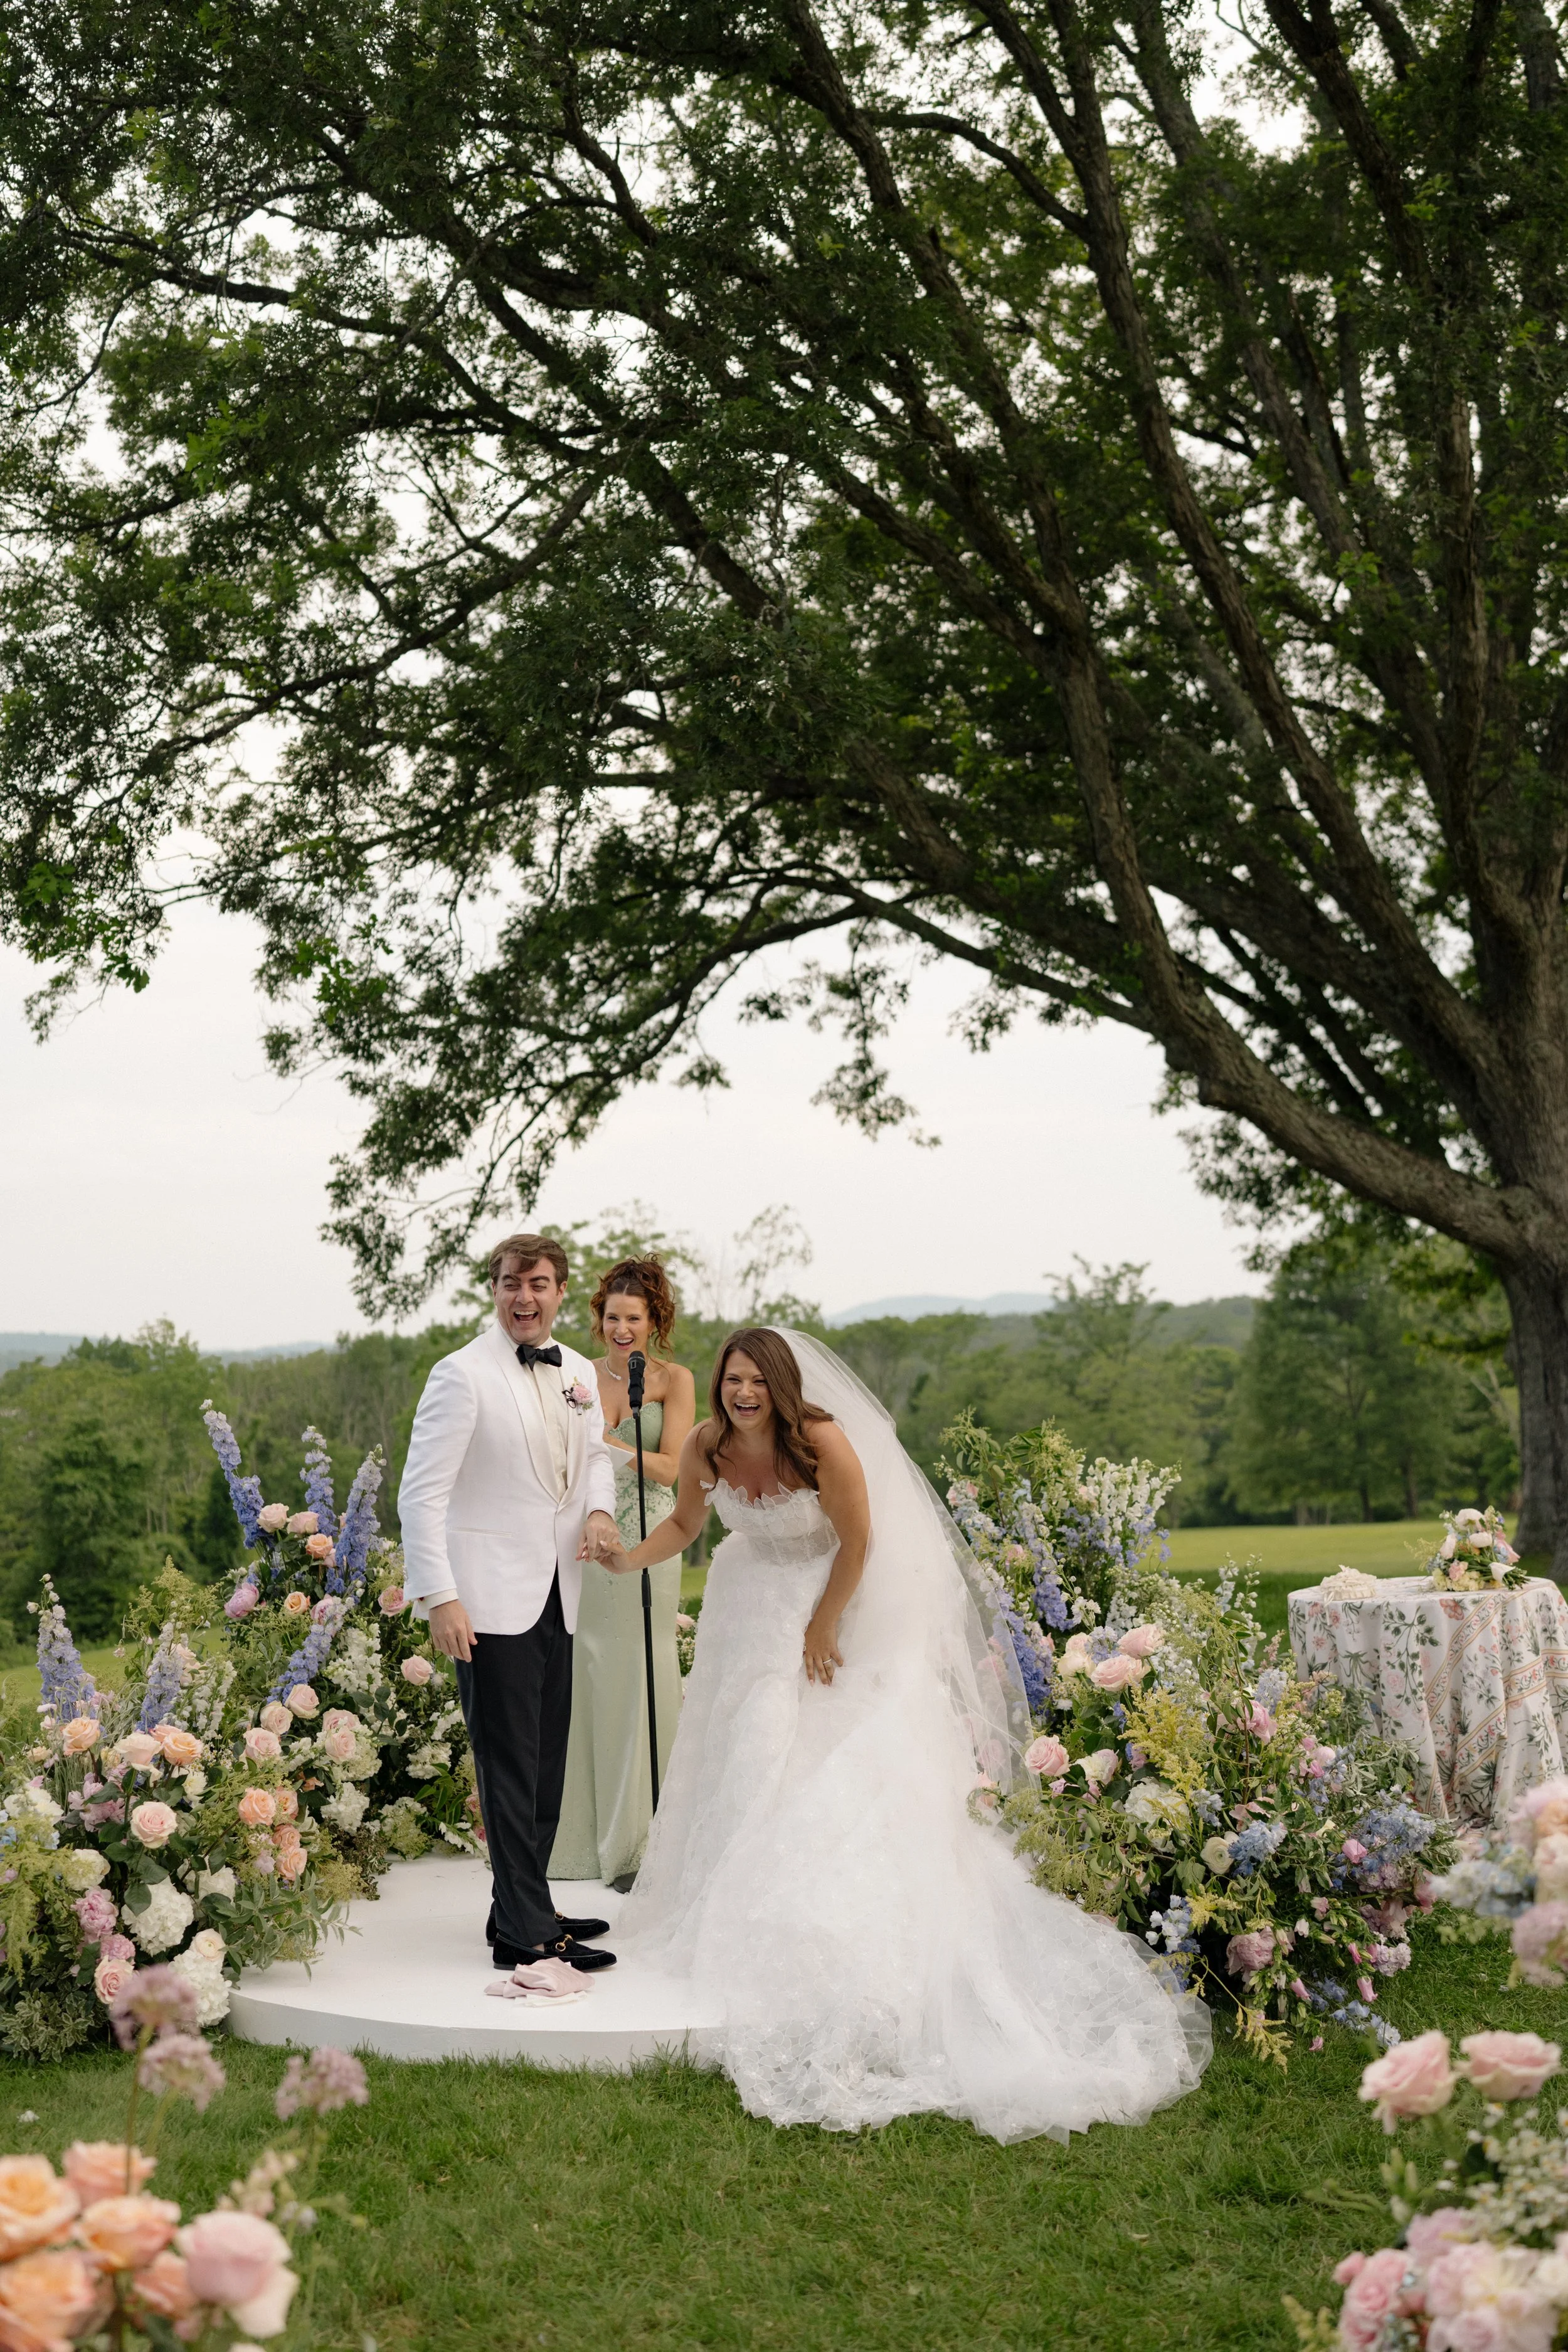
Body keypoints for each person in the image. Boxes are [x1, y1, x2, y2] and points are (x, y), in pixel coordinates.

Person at [601, 1327, 1210, 2143]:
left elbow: (859, 1542)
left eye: (756, 1380)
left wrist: (822, 1624)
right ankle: (709, 1894)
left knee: (788, 1745)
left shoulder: (821, 1443)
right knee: (727, 1738)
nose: (742, 1391)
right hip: (743, 1609)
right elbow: (685, 1525)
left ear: (780, 1385)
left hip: (819, 1599)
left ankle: (786, 1899)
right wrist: (627, 1559)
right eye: (732, 1378)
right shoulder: (708, 1441)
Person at [398, 1232, 622, 1972]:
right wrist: (440, 1596)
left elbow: (594, 1460)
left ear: (560, 1292)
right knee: (510, 1766)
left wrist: (600, 1512)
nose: (523, 1297)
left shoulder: (579, 1371)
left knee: (547, 1763)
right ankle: (527, 1935)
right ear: (493, 1290)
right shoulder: (460, 1375)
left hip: (561, 1591)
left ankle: (521, 1908)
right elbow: (421, 1494)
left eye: (538, 1283)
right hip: (488, 1602)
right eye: (510, 1283)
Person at [551, 1257, 696, 1888]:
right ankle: (579, 1839)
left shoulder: (675, 1379)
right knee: (590, 1675)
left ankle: (642, 1840)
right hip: (589, 1538)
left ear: (652, 1320)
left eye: (632, 1318)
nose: (620, 1327)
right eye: (611, 1316)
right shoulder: (575, 1378)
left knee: (645, 1673)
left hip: (653, 1541)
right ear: (599, 1318)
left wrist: (602, 1446)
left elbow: (672, 1470)